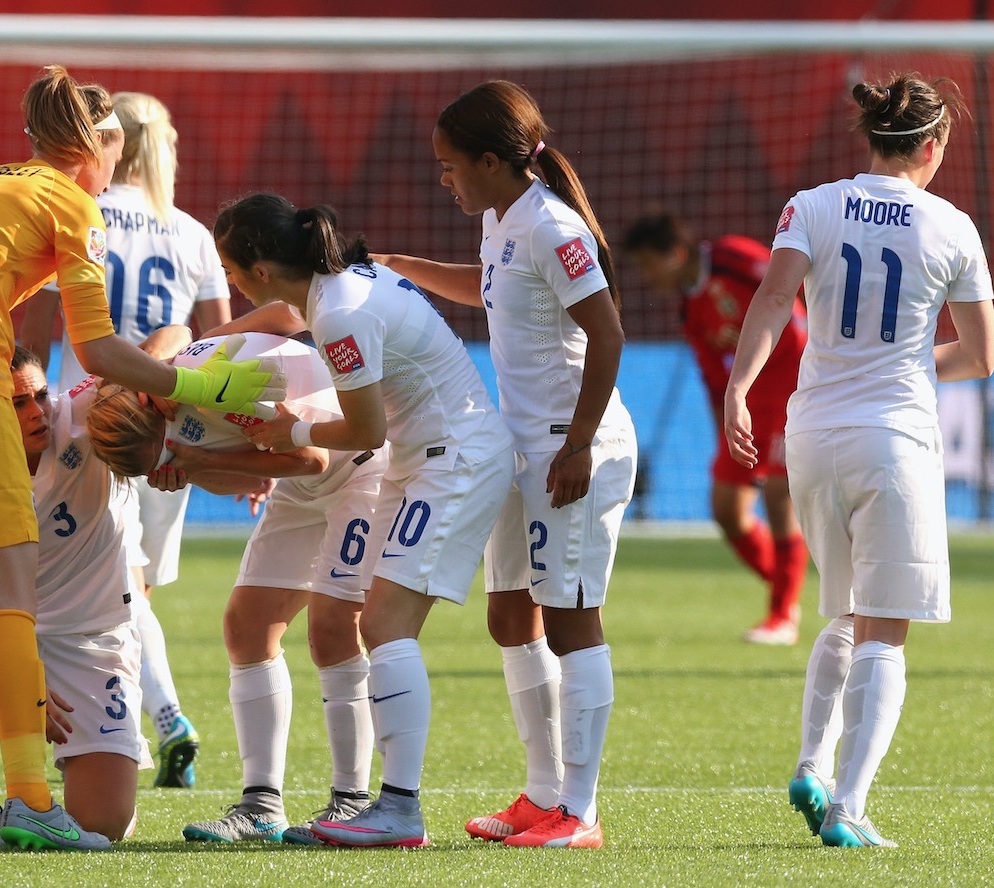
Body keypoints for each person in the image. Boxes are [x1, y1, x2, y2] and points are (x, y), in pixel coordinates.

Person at [0, 65, 283, 851]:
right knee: (6, 594)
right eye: (113, 152)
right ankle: (28, 800)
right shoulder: (70, 201)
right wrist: (197, 383)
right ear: (91, 149)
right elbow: (96, 348)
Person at [724, 74, 994, 848]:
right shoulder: (952, 227)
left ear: (870, 137)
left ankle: (811, 764)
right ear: (934, 145)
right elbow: (981, 355)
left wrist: (740, 389)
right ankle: (849, 804)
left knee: (843, 610)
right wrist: (905, 359)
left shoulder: (810, 205)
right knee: (887, 627)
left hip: (811, 434)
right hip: (892, 438)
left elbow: (774, 301)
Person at [205, 194, 515, 848]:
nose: (231, 284)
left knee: (379, 623)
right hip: (424, 457)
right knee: (374, 623)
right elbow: (279, 316)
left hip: (451, 458)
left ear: (260, 266)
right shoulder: (329, 286)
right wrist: (199, 355)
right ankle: (377, 805)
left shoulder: (341, 314)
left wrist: (288, 424)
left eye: (231, 271)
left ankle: (396, 809)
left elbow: (365, 427)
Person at [378, 80, 636, 849]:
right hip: (521, 448)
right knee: (509, 617)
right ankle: (543, 793)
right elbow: (489, 294)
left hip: (569, 448)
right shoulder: (502, 220)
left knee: (570, 620)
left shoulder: (553, 227)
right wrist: (400, 265)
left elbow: (609, 334)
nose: (445, 178)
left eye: (452, 166)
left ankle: (579, 813)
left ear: (493, 160)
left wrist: (580, 442)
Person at [82, 331, 389, 846]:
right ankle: (261, 806)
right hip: (306, 485)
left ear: (150, 418)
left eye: (150, 458)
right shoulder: (165, 396)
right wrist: (195, 469)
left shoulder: (211, 386)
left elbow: (310, 456)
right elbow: (240, 479)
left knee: (333, 630)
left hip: (358, 471)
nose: (154, 468)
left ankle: (351, 801)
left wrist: (199, 463)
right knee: (247, 627)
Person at [21, 91, 234, 789]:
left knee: (109, 589)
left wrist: (35, 411)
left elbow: (38, 335)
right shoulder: (193, 232)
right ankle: (144, 722)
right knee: (130, 587)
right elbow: (221, 340)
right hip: (164, 422)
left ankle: (155, 720)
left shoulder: (77, 214)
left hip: (84, 425)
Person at [0, 346, 151, 842]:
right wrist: (16, 686)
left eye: (40, 395)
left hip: (93, 636)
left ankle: (77, 768)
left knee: (104, 825)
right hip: (7, 630)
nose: (37, 412)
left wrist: (141, 378)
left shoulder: (82, 411)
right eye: (16, 404)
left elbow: (174, 334)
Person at [624, 210, 810, 645]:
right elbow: (713, 379)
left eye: (649, 265)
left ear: (676, 252)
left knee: (782, 499)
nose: (648, 277)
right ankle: (788, 590)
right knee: (727, 510)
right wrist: (725, 430)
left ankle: (782, 616)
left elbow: (791, 291)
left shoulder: (734, 257)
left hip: (792, 385)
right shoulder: (691, 311)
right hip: (745, 405)